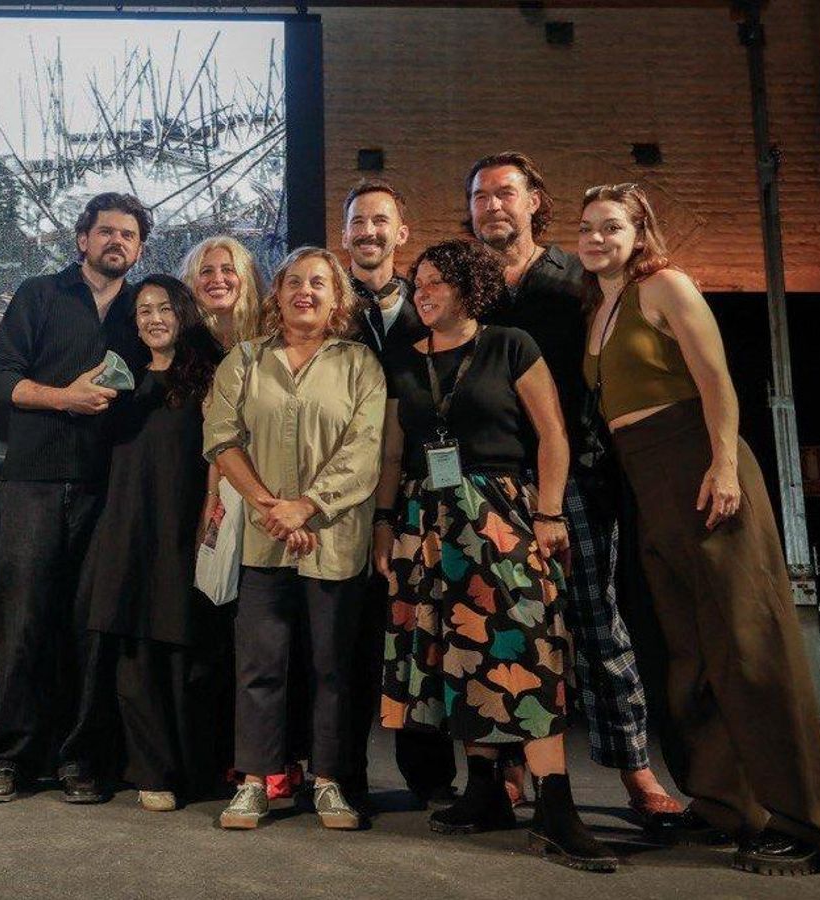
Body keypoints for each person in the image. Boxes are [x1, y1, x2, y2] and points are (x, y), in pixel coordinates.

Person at [578, 184, 820, 875]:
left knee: (750, 649)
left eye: (612, 226)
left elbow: (717, 381)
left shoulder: (664, 285)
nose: (597, 237)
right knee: (689, 653)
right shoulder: (598, 306)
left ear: (641, 233)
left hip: (699, 466)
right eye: (587, 227)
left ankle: (813, 827)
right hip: (646, 481)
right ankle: (727, 805)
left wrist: (725, 467)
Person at [375, 239, 616, 872]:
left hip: (502, 513)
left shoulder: (511, 343)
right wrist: (382, 524)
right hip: (424, 520)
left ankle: (557, 808)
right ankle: (483, 791)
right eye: (417, 284)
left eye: (435, 284)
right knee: (454, 652)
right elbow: (392, 455)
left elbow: (553, 434)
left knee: (524, 648)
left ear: (469, 287)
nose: (422, 294)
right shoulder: (403, 359)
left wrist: (550, 511)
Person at [468, 151, 679, 825]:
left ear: (535, 201)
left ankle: (637, 774)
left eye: (506, 193)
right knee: (500, 628)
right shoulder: (469, 285)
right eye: (480, 196)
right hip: (489, 482)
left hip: (575, 478)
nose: (492, 205)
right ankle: (505, 772)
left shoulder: (575, 277)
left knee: (594, 621)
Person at [0, 192, 150, 804]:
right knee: (20, 627)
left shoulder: (142, 310)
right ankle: (9, 760)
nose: (116, 243)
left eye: (128, 235)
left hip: (109, 491)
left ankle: (81, 762)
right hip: (32, 483)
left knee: (90, 631)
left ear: (140, 248)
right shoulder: (38, 295)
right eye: (106, 232)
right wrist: (63, 398)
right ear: (82, 240)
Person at [204, 246, 385, 831]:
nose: (305, 292)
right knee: (260, 664)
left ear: (337, 300)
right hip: (263, 538)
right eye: (294, 283)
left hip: (334, 538)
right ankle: (255, 782)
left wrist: (307, 506)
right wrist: (270, 507)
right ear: (276, 295)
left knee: (332, 667)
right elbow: (222, 439)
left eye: (319, 284)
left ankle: (330, 780)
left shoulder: (360, 363)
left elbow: (366, 449)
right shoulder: (243, 361)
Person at [71, 274, 228, 812]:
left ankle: (197, 768)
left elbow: (220, 452)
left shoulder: (212, 373)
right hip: (127, 524)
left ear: (183, 313)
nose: (154, 318)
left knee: (186, 644)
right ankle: (150, 769)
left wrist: (212, 510)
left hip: (185, 522)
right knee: (132, 647)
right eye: (143, 311)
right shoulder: (119, 376)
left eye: (163, 308)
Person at [338, 178, 457, 813]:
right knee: (347, 641)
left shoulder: (432, 304)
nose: (369, 232)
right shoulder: (327, 305)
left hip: (421, 490)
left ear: (401, 234)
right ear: (345, 232)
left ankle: (430, 775)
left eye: (381, 221)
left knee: (423, 634)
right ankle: (343, 775)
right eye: (359, 222)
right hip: (341, 493)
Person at [178, 235, 267, 351]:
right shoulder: (178, 343)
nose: (217, 279)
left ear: (247, 278)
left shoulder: (272, 337)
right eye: (206, 271)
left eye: (228, 270)